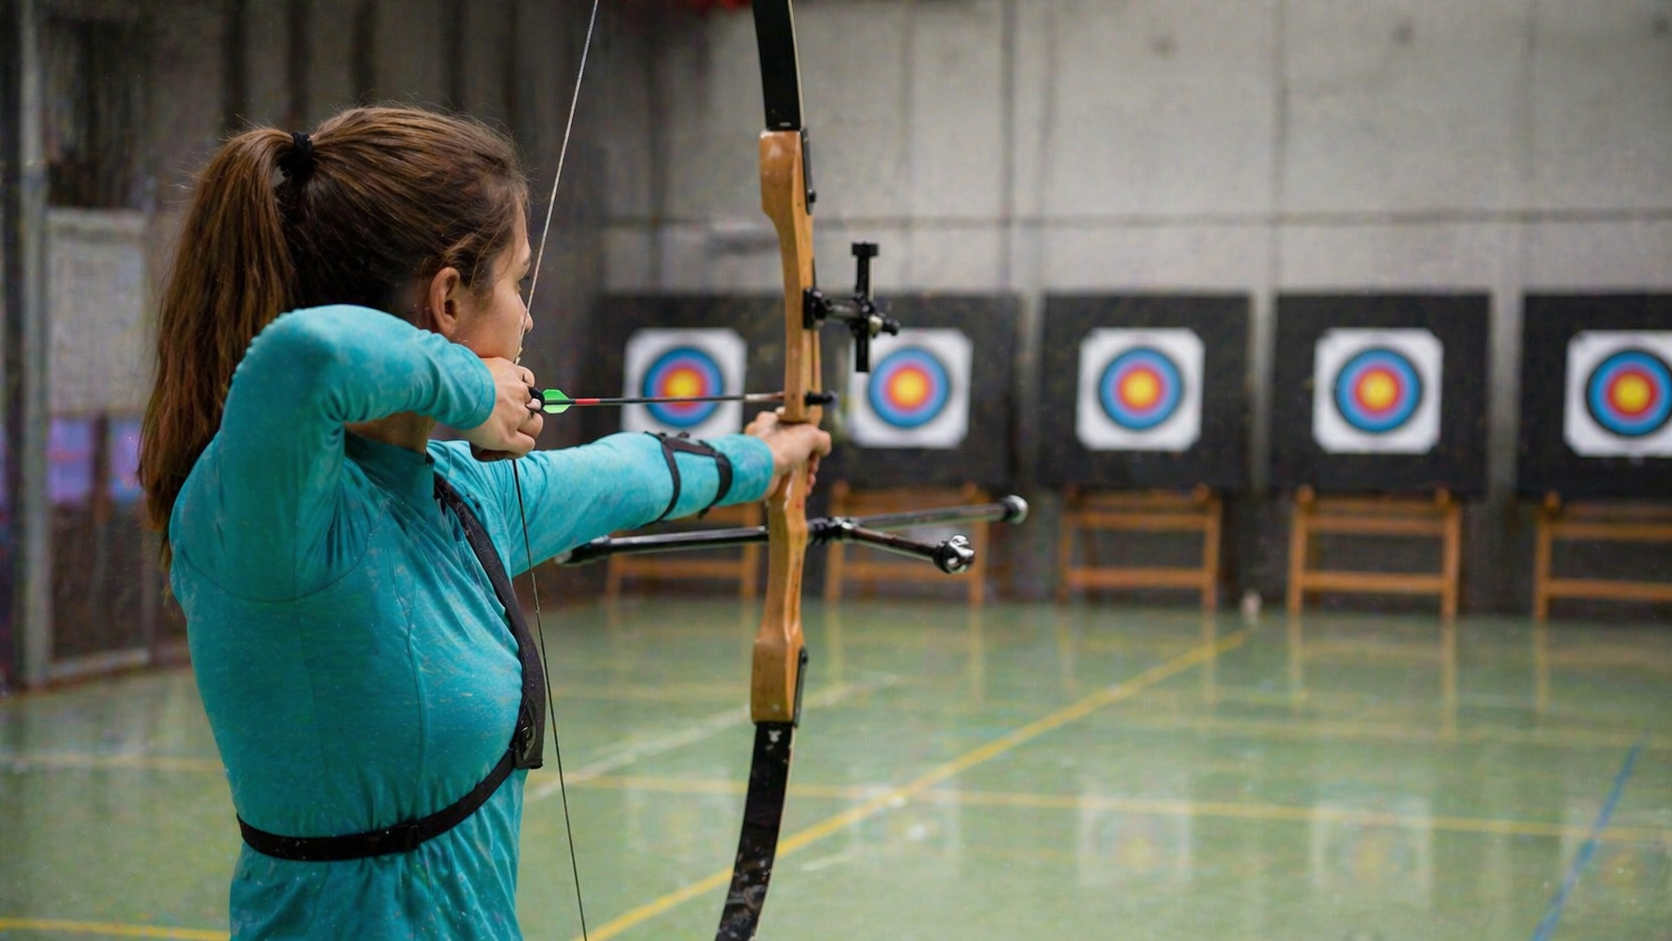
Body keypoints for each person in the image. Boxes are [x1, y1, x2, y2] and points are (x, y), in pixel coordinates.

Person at [138, 106, 829, 939]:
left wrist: (765, 458)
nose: (528, 316)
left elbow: (626, 471)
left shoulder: (458, 493)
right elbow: (307, 358)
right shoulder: (263, 514)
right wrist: (471, 389)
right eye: (517, 282)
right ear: (448, 297)